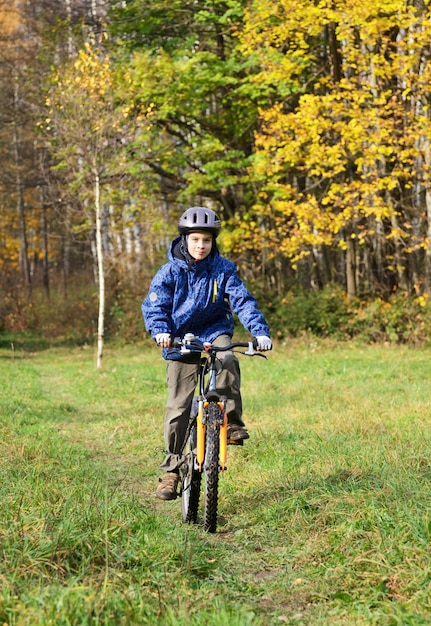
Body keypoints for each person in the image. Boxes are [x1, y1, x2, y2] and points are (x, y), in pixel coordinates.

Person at [142, 206, 272, 500]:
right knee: (178, 405)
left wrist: (259, 331)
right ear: (185, 239)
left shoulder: (224, 269)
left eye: (207, 241)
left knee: (228, 359)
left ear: (213, 242)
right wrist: (161, 331)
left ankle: (232, 423)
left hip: (214, 331)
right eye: (195, 239)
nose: (201, 246)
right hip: (179, 336)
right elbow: (154, 306)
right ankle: (172, 470)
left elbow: (242, 301)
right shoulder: (171, 271)